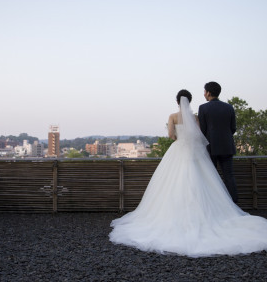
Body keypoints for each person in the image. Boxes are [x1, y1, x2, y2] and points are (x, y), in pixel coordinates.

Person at [109, 90, 267, 257]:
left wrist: (179, 136)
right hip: (194, 152)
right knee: (203, 180)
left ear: (177, 101)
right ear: (190, 101)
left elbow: (171, 135)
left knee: (172, 182)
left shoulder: (173, 117)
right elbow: (200, 135)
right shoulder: (196, 117)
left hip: (179, 150)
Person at [198, 82, 238, 203]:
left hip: (211, 148)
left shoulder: (203, 108)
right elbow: (233, 128)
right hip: (227, 147)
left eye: (204, 91)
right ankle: (234, 203)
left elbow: (202, 131)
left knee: (211, 178)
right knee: (229, 176)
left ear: (209, 93)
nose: (204, 94)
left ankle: (215, 205)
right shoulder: (229, 107)